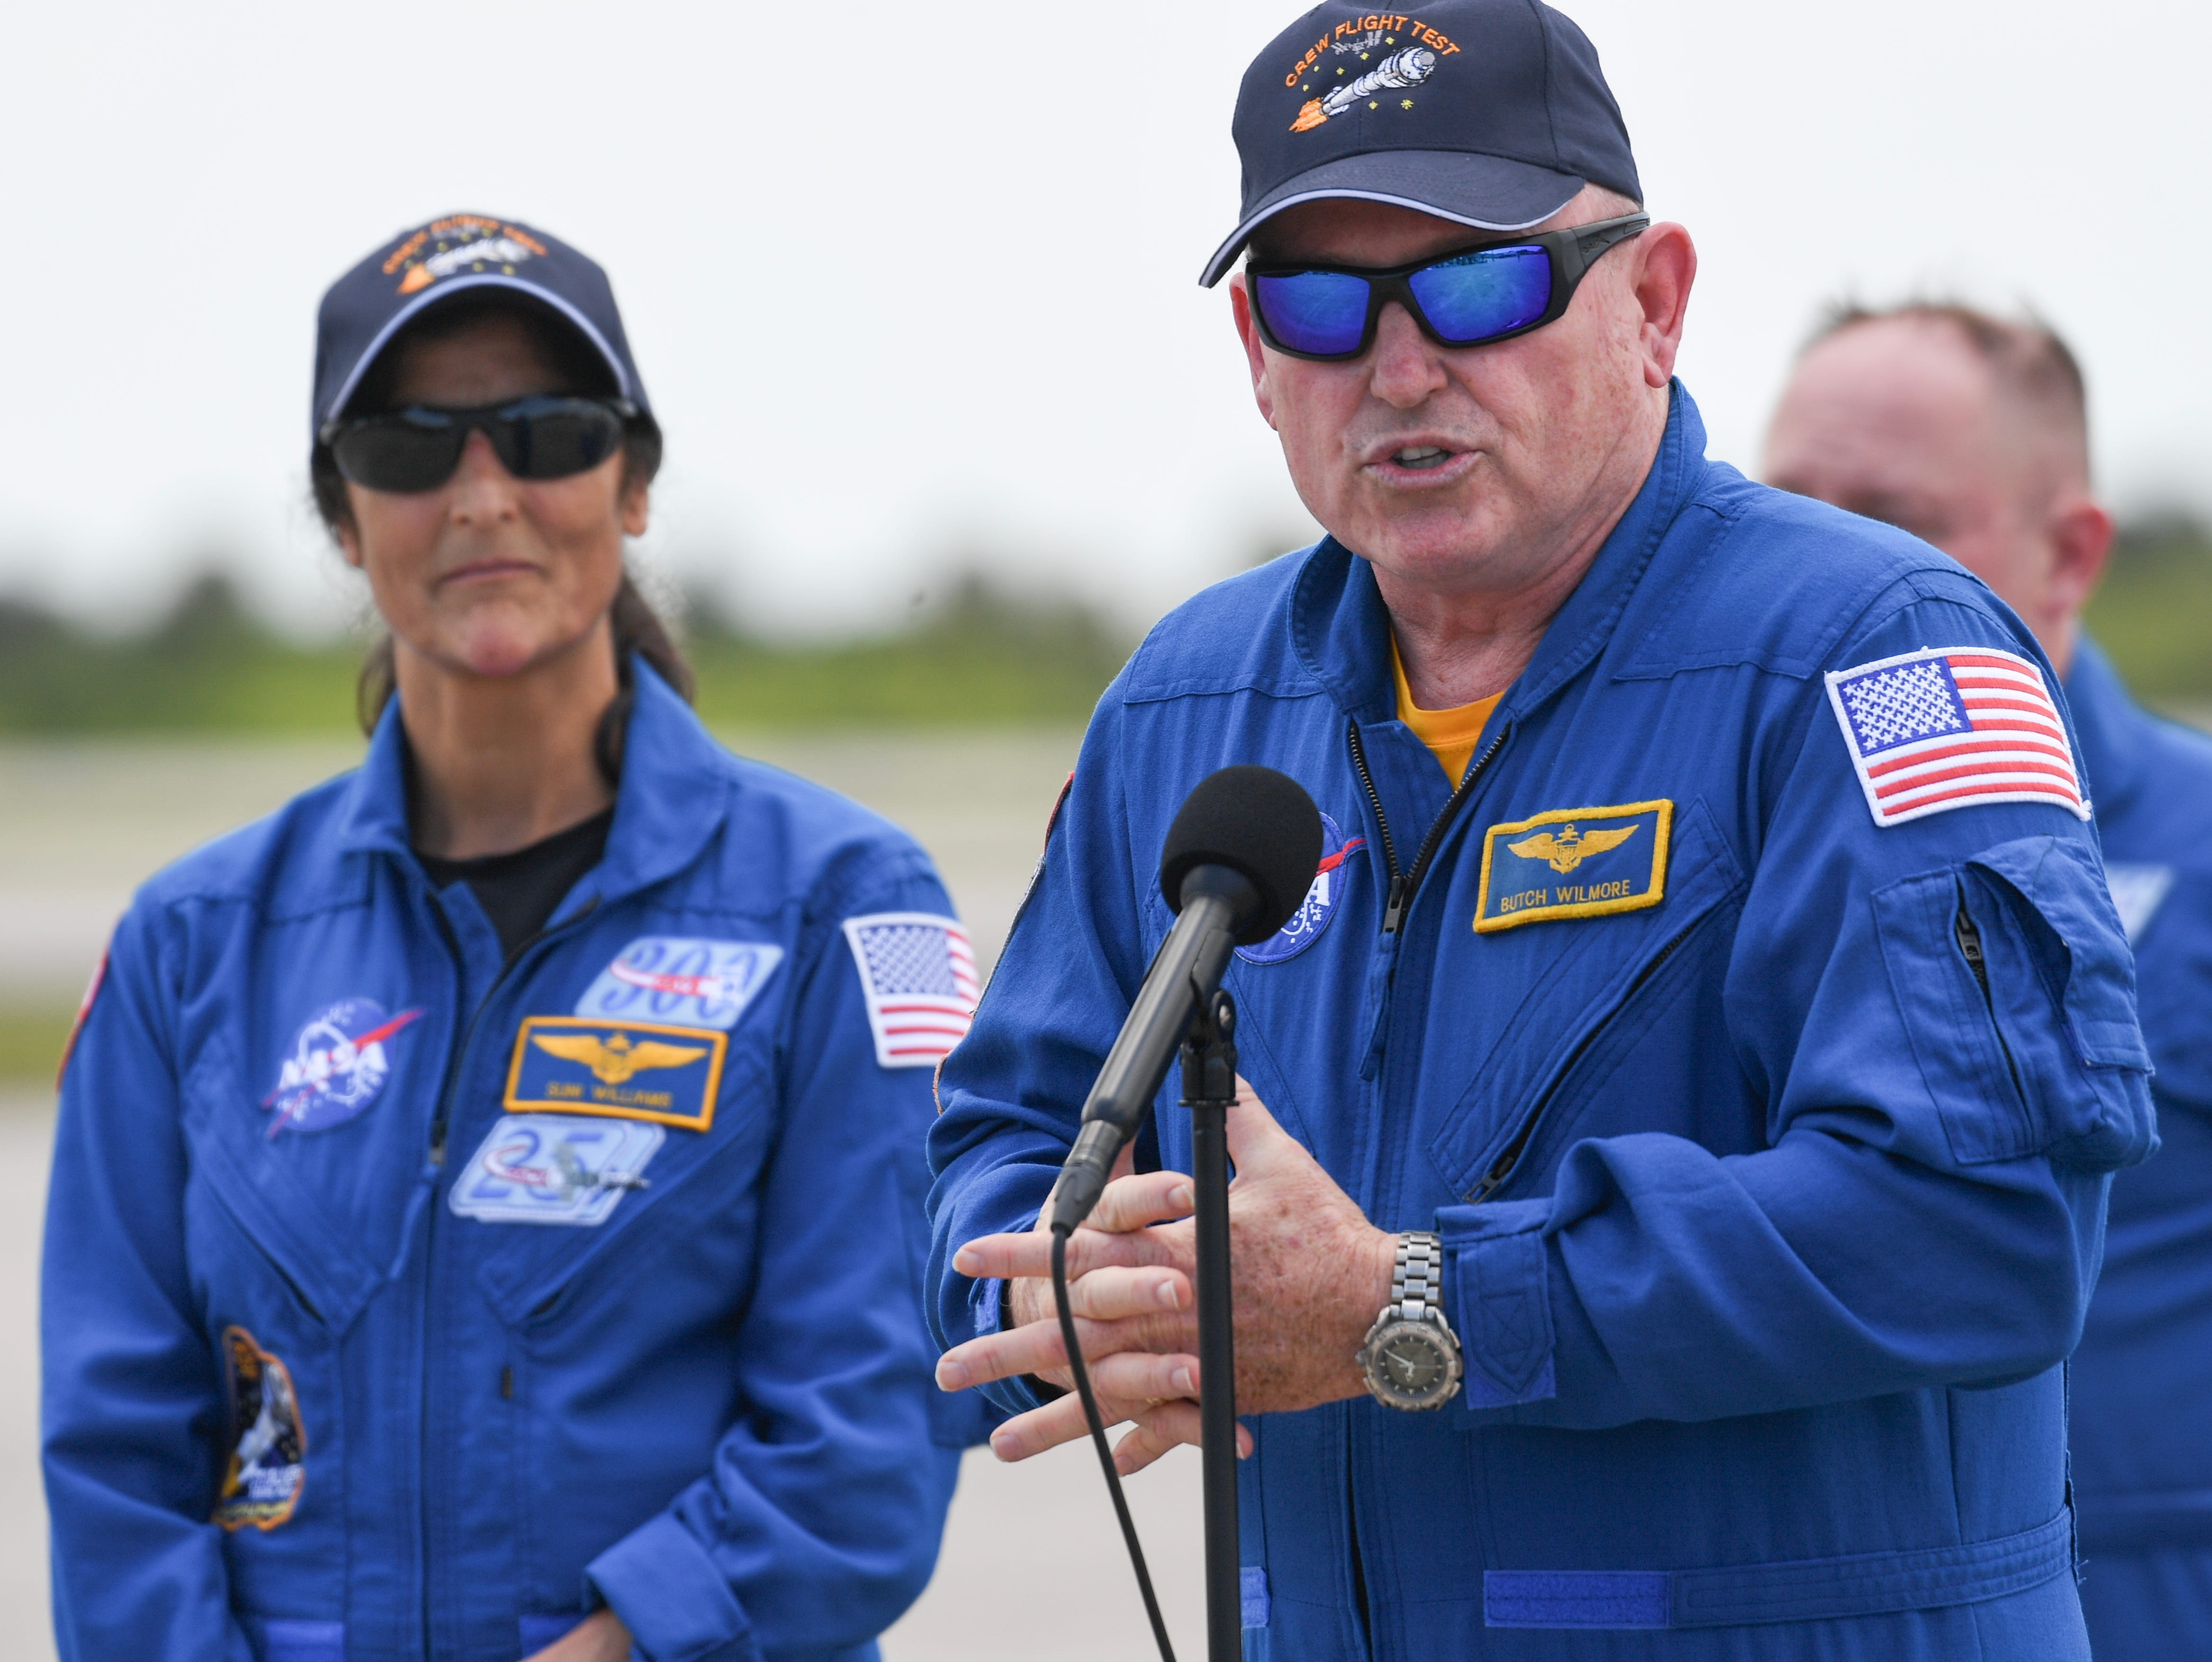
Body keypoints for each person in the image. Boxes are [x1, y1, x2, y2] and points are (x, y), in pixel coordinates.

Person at [921, 2, 2153, 1655]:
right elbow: (1002, 1140)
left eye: (1480, 284)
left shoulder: (1879, 652)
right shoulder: (1181, 707)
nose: (1402, 368)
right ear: (1254, 361)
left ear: (1652, 305)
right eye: (1320, 305)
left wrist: (1407, 1309)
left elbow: (1979, 1231)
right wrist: (1067, 1284)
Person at [40, 213, 977, 1662]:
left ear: (636, 483)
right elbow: (116, 1455)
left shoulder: (847, 901)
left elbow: (874, 1420)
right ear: (344, 520)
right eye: (412, 445)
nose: (482, 492)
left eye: (545, 431)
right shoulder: (188, 943)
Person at [1763, 303, 2212, 1662]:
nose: (1831, 561)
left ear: (2068, 552)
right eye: (1789, 506)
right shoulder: (1700, 855)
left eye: (1892, 514)